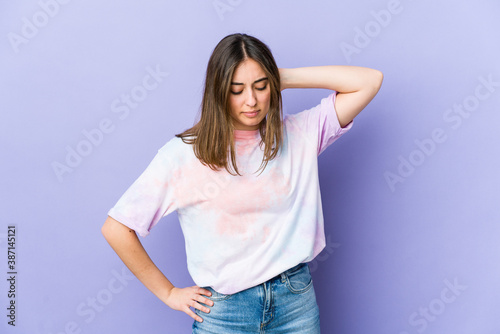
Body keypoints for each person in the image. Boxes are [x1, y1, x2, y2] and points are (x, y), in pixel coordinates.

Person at [101, 33, 383, 333]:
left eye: (261, 87)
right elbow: (116, 227)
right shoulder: (183, 155)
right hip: (224, 313)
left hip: (295, 304)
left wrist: (278, 76)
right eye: (237, 90)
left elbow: (369, 81)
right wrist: (169, 293)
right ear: (219, 91)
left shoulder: (300, 134)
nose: (251, 100)